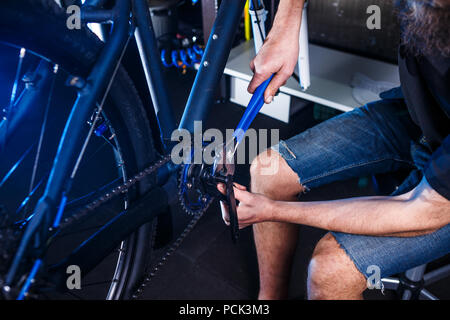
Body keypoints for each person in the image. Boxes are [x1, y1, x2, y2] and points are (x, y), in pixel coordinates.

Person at [218, 0, 450, 300]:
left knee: (329, 270)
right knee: (267, 170)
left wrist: (270, 210)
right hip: (419, 116)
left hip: (435, 203)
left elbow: (420, 210)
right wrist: (286, 25)